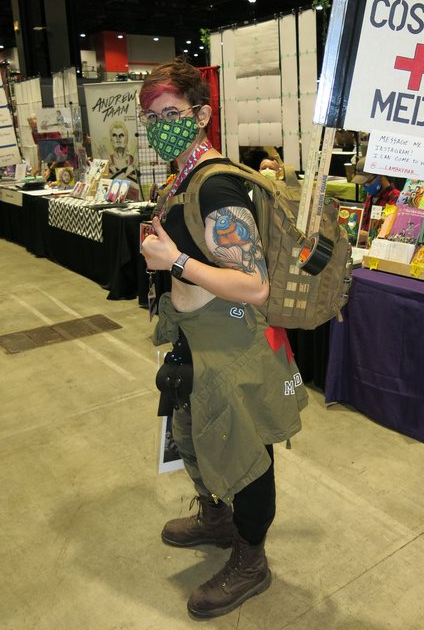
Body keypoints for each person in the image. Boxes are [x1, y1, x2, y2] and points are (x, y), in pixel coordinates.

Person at [139, 58, 307, 620]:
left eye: (171, 113)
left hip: (232, 344)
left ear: (202, 114)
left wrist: (175, 261)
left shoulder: (215, 185)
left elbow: (254, 285)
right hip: (196, 339)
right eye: (151, 116)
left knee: (244, 451)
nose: (159, 125)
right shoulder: (183, 177)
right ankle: (216, 518)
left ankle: (251, 559)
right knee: (194, 435)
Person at [352, 156, 401, 245]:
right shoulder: (370, 197)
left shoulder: (396, 198)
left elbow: (393, 233)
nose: (365, 186)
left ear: (380, 176)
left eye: (367, 182)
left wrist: (368, 236)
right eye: (363, 184)